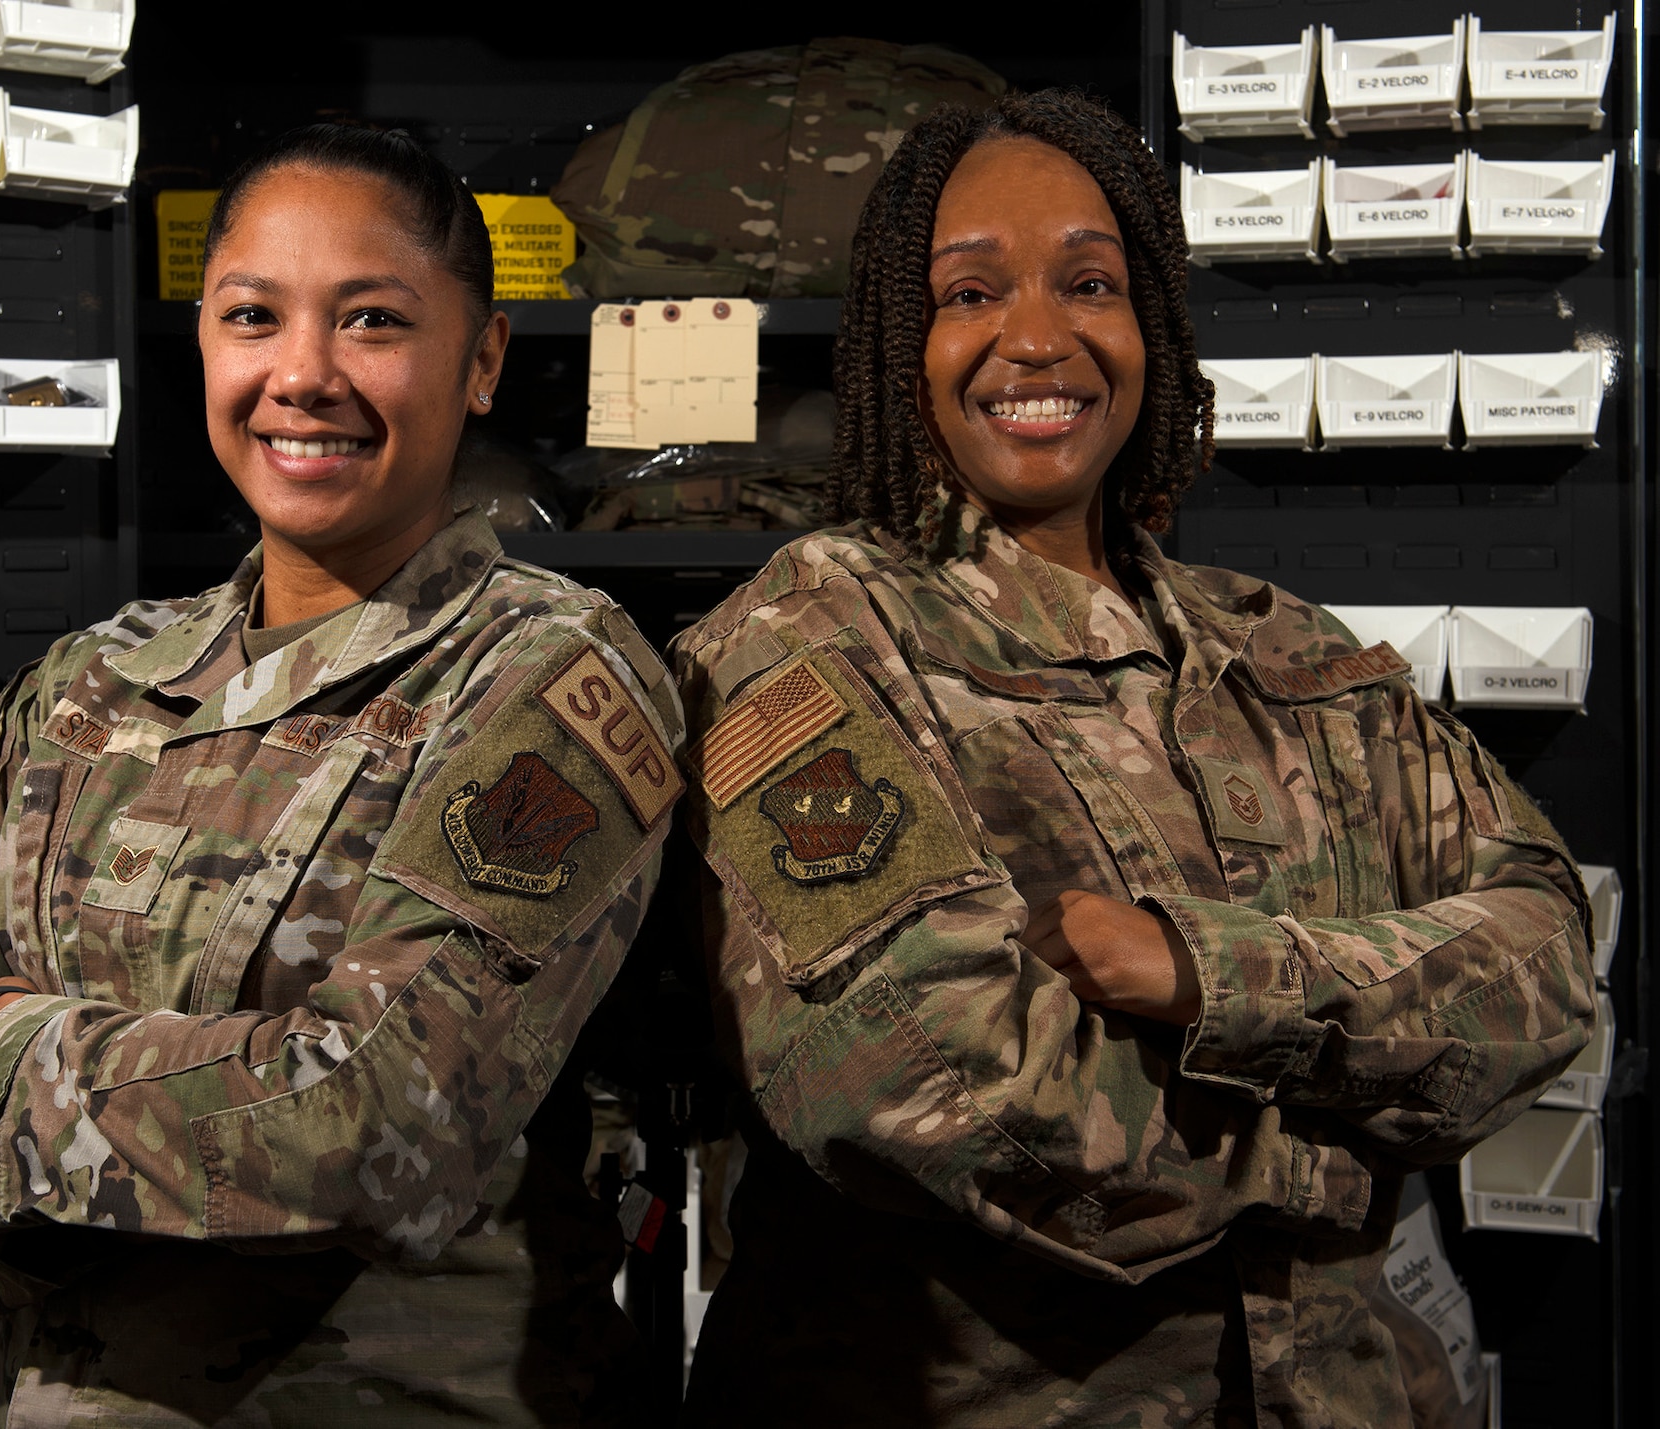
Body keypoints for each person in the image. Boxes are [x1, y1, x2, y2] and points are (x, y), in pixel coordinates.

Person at [670, 90, 1595, 1427]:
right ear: (895, 341)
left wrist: (1209, 970)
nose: (1036, 336)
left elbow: (1551, 961)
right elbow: (936, 1091)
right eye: (968, 292)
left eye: (1090, 284)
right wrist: (1365, 1134)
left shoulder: (1287, 651)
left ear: (1149, 327)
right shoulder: (807, 643)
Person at [0, 124, 684, 1427]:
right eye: (253, 316)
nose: (303, 374)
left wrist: (1, 1045)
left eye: (374, 319)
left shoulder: (545, 677)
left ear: (483, 358)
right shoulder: (86, 683)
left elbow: (382, 1119)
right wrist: (199, 1097)